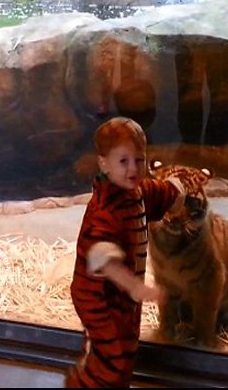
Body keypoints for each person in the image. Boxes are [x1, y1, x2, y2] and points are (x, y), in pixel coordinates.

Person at [66, 117, 185, 388]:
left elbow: (160, 193)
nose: (133, 168)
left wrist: (179, 190)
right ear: (103, 164)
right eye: (123, 161)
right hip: (98, 299)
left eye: (139, 160)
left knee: (128, 350)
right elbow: (102, 257)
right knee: (110, 358)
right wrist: (135, 287)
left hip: (124, 300)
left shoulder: (136, 191)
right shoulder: (105, 210)